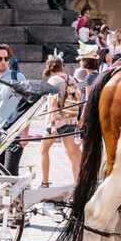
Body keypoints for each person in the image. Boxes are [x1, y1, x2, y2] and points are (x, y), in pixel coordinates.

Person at [39, 56, 82, 188]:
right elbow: (79, 97)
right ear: (62, 66)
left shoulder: (53, 81)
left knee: (43, 150)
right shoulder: (72, 79)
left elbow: (53, 103)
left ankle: (45, 183)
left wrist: (52, 125)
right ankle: (78, 184)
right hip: (71, 119)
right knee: (71, 153)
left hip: (58, 121)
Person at [0, 44, 30, 176]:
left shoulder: (17, 78)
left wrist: (25, 134)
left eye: (6, 58)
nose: (3, 62)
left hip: (15, 133)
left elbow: (28, 106)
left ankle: (16, 196)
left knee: (10, 173)